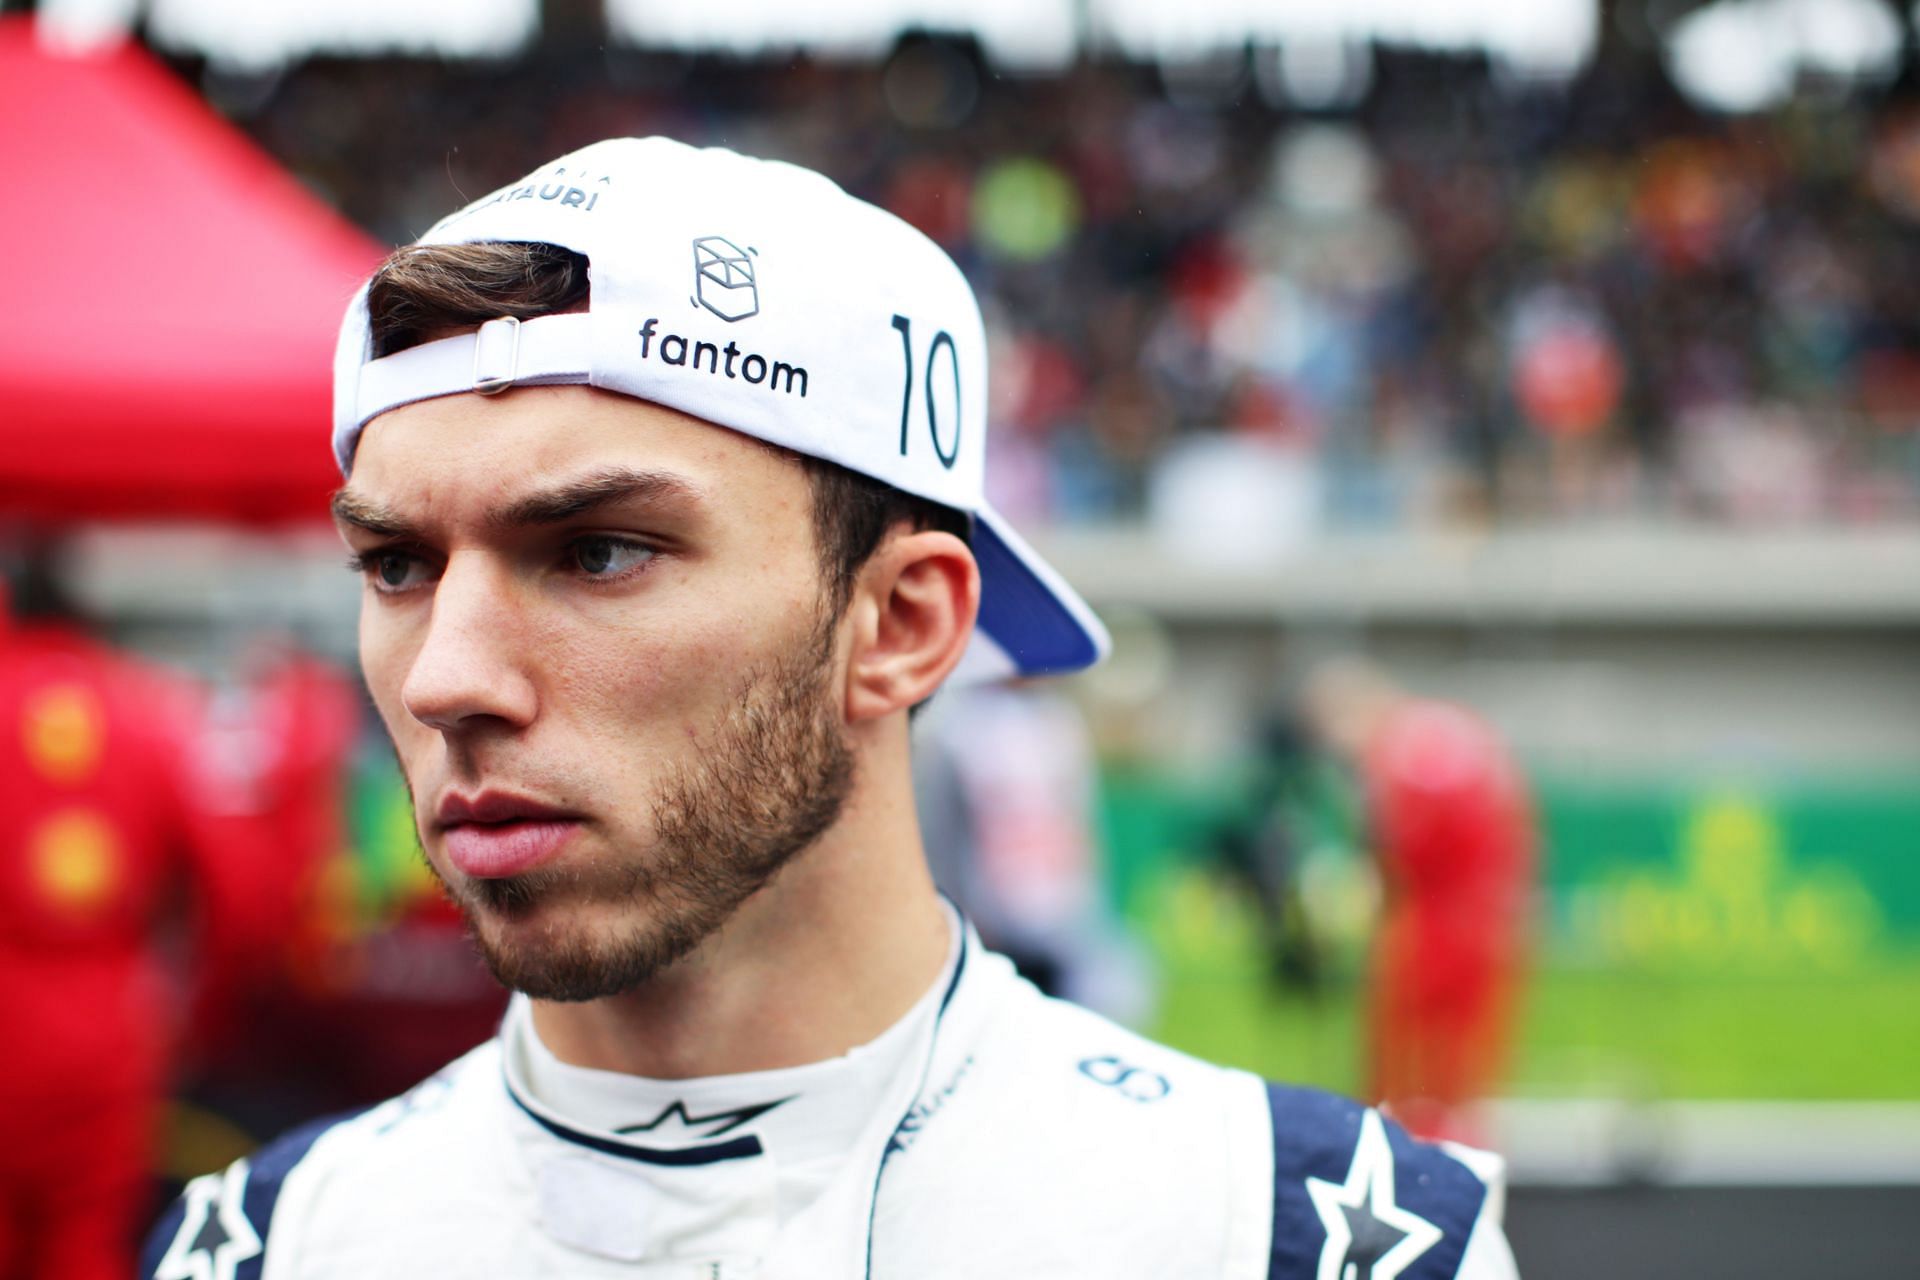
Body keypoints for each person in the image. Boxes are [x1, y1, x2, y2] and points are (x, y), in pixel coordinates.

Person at [145, 138, 1519, 1279]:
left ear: (902, 623)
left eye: (598, 551)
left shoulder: (1313, 1236)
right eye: (397, 564)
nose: (446, 675)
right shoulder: (264, 1247)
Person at [1305, 658, 1536, 1147]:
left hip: (1436, 923)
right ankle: (1458, 1151)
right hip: (1490, 919)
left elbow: (1400, 847)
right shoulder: (1447, 732)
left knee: (1413, 1070)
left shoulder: (1402, 752)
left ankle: (1409, 1159)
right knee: (1460, 1072)